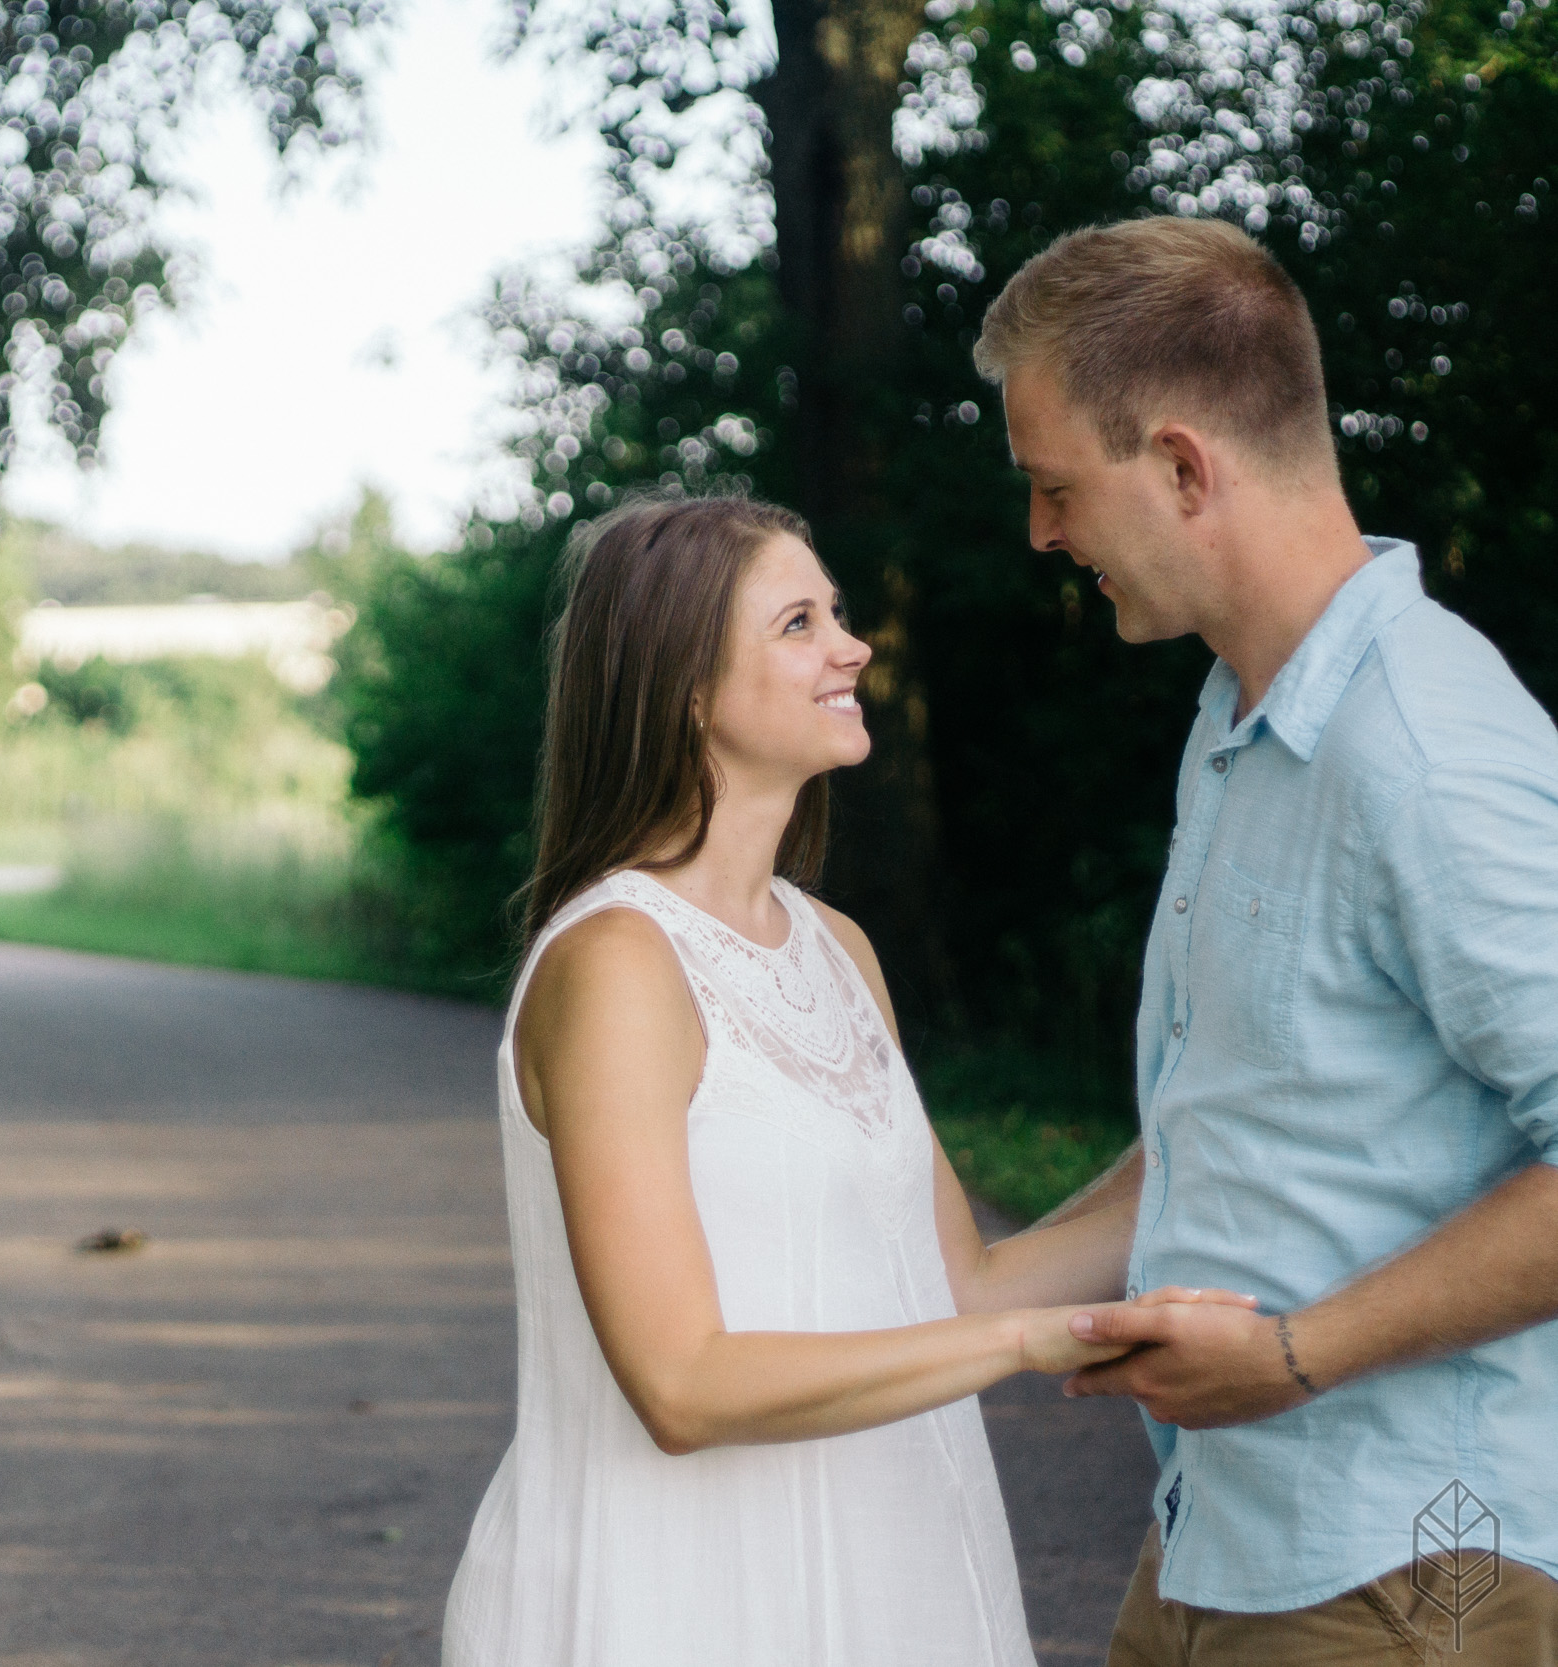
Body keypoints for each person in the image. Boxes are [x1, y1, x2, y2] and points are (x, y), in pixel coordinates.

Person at [440, 495, 1248, 1666]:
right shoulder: (616, 961)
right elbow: (680, 1381)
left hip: (888, 1569)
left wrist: (1211, 1133)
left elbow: (952, 1285)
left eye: (839, 612)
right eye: (797, 621)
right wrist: (1039, 1342)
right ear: (687, 691)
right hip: (680, 1598)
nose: (851, 644)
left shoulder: (835, 947)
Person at [976, 215, 1558, 1663]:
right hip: (1219, 1532)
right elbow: (1229, 1121)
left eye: (1054, 486)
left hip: (1410, 1565)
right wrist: (970, 1298)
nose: (1042, 533)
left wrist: (1300, 1355)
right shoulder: (1242, 719)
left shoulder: (1425, 746)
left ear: (1182, 465)